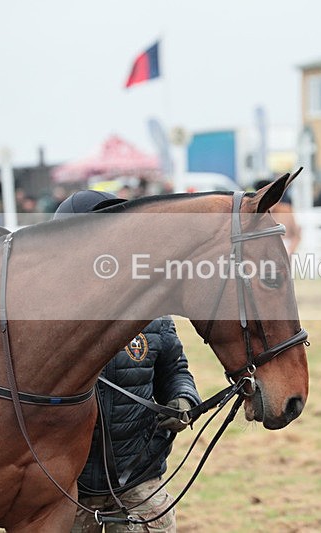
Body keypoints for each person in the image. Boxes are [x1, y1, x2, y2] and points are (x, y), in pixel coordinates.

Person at [55, 190, 203, 533]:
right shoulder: (45, 319)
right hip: (68, 486)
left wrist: (183, 398)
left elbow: (175, 368)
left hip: (140, 477)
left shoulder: (152, 308)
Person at [254, 179, 302, 256]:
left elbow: (296, 235)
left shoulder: (286, 210)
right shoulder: (254, 215)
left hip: (285, 255)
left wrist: (289, 250)